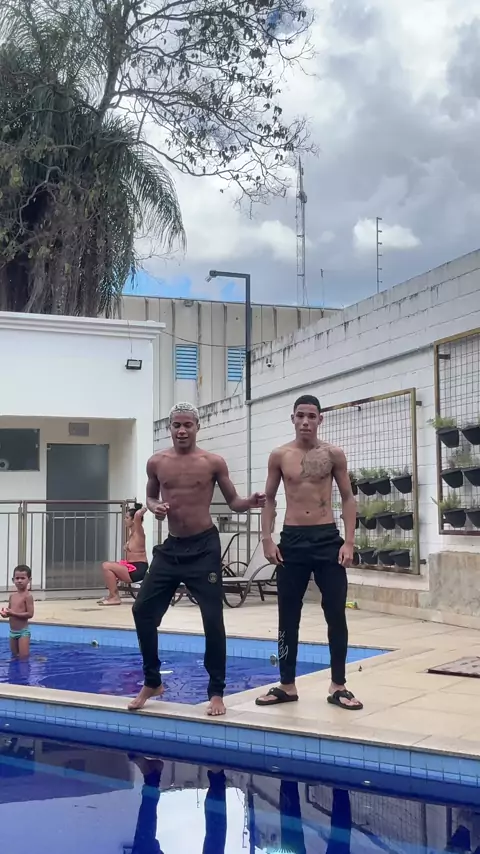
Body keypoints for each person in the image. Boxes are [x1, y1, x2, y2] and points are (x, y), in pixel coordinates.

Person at [129, 401, 266, 717]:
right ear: (170, 428)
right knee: (142, 611)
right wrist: (154, 506)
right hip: (171, 549)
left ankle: (216, 692)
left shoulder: (212, 462)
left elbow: (233, 502)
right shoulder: (157, 462)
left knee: (212, 619)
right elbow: (150, 496)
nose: (181, 430)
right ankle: (153, 681)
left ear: (197, 427)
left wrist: (251, 501)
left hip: (204, 547)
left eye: (187, 424)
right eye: (176, 425)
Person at [256, 394, 363, 711]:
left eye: (311, 416)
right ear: (293, 418)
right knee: (288, 614)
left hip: (327, 539)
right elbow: (270, 499)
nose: (305, 421)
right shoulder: (280, 455)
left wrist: (349, 542)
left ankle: (338, 685)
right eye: (300, 415)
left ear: (320, 419)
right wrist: (266, 539)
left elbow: (348, 497)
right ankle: (286, 685)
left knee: (335, 613)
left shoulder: (333, 454)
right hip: (292, 542)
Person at [99, 503, 148, 606]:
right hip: (131, 567)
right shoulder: (132, 534)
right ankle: (111, 595)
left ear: (133, 520)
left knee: (106, 566)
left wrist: (144, 508)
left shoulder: (139, 532)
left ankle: (115, 597)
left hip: (138, 569)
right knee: (110, 567)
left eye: (127, 517)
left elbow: (138, 516)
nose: (124, 520)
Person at [1, 565, 34, 658]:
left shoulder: (28, 596)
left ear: (29, 580)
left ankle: (37, 659)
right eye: (17, 578)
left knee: (23, 658)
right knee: (14, 656)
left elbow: (30, 614)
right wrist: (5, 614)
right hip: (12, 631)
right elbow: (10, 612)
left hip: (23, 632)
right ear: (13, 580)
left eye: (23, 578)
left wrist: (13, 613)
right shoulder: (12, 596)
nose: (19, 580)